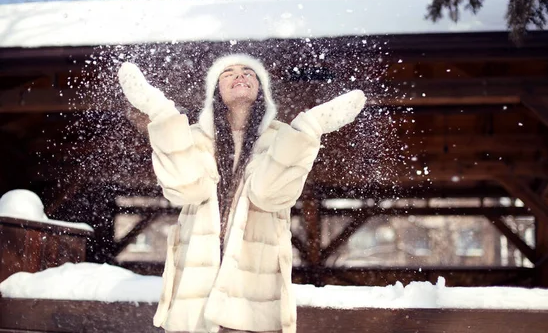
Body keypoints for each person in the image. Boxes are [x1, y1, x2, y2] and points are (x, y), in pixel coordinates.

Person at [118, 53, 366, 333]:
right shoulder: (195, 137)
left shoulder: (283, 139)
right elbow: (185, 189)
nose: (240, 75)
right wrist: (160, 112)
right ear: (216, 91)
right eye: (228, 73)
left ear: (260, 90)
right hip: (197, 293)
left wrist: (311, 127)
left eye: (249, 72)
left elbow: (267, 194)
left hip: (253, 296)